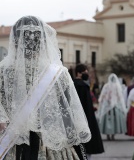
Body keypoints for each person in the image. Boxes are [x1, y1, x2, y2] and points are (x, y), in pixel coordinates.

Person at [0, 16, 91, 160]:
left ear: (15, 40)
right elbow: (68, 111)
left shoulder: (3, 70)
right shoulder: (58, 72)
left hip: (12, 141)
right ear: (43, 39)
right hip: (49, 141)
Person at [74, 64, 104, 160]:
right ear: (78, 73)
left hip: (75, 119)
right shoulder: (82, 86)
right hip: (85, 118)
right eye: (85, 73)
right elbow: (86, 105)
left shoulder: (72, 84)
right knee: (86, 145)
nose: (86, 75)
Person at [97, 73, 127, 140]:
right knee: (115, 120)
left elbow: (102, 96)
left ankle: (108, 134)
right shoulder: (117, 86)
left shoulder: (106, 86)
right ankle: (113, 135)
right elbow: (120, 97)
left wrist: (101, 102)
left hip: (106, 106)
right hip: (115, 107)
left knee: (107, 120)